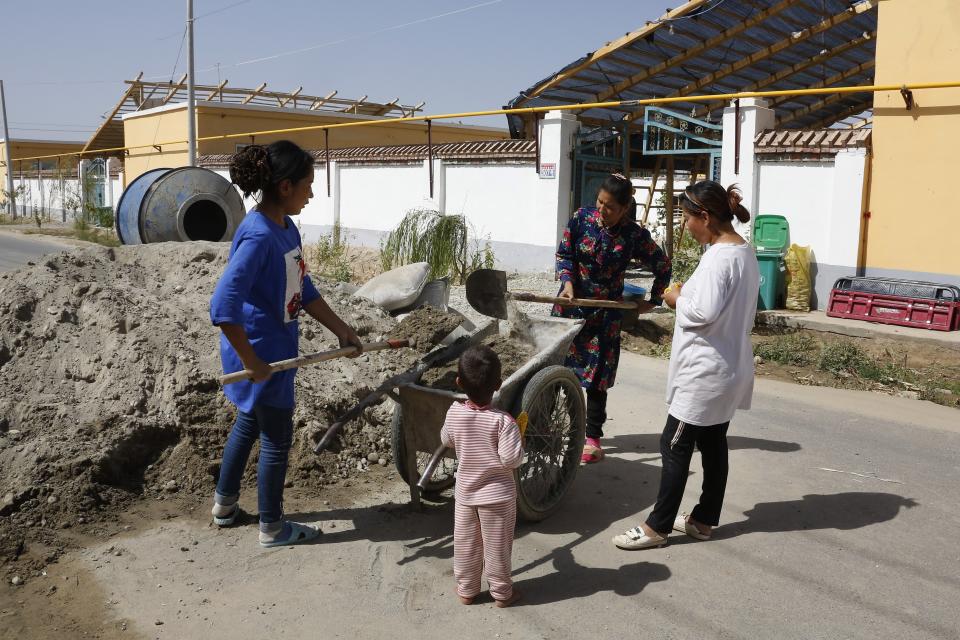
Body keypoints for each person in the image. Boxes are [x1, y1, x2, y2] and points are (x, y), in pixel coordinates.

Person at [208, 140, 362, 548]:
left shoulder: (284, 227)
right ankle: (273, 528)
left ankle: (224, 506)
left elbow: (303, 288)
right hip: (262, 353)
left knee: (248, 423)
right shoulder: (259, 236)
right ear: (284, 186)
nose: (312, 194)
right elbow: (223, 306)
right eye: (308, 185)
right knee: (276, 438)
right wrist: (252, 360)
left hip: (271, 347)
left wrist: (341, 328)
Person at [613, 180, 759, 550]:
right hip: (727, 366)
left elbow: (702, 311)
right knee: (712, 443)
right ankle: (703, 520)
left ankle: (656, 527)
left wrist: (676, 297)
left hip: (706, 371)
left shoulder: (720, 259)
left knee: (673, 444)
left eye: (686, 217)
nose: (683, 225)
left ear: (705, 217)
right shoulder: (742, 252)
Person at [553, 173, 672, 464]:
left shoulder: (633, 235)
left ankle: (591, 438)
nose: (602, 210)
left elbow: (662, 264)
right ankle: (559, 426)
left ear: (624, 209)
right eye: (600, 202)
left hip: (606, 313)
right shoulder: (582, 218)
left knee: (597, 377)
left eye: (609, 207)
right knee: (562, 368)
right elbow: (565, 254)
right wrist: (567, 282)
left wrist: (652, 301)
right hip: (571, 307)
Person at [439, 345, 524, 608]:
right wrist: (519, 439)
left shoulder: (454, 413)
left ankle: (467, 590)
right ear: (498, 385)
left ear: (458, 382)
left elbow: (446, 440)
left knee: (465, 544)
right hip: (498, 498)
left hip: (466, 495)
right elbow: (511, 459)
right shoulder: (504, 422)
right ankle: (501, 593)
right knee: (497, 546)